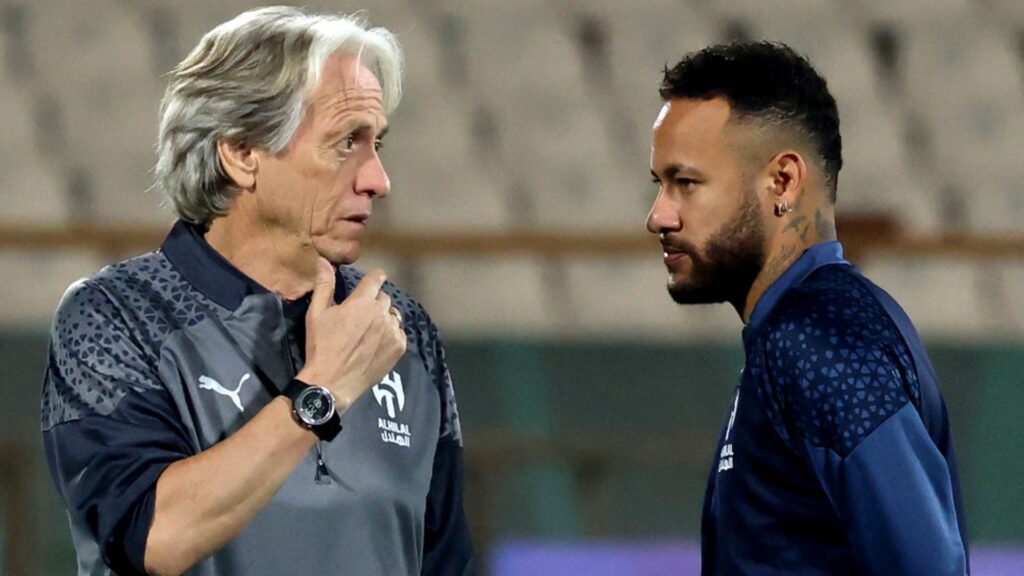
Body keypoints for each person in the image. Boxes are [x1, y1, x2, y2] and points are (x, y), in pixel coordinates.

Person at [40, 7, 473, 575]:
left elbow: (444, 561)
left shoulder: (401, 330)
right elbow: (155, 535)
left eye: (377, 145)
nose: (378, 180)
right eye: (346, 143)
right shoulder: (115, 316)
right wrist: (324, 389)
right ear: (242, 153)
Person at [646, 41, 968, 575]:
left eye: (686, 183)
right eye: (660, 185)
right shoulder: (798, 330)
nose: (658, 216)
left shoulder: (820, 341)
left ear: (783, 181)